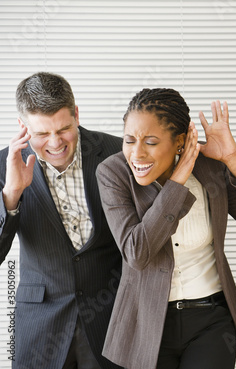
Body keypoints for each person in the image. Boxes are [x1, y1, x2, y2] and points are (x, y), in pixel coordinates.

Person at [96, 88, 236, 369]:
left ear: (180, 141)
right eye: (129, 140)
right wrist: (177, 183)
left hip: (212, 320)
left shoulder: (210, 168)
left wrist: (232, 159)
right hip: (146, 324)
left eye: (151, 142)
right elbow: (137, 252)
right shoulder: (113, 173)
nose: (137, 153)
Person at [0, 72, 123, 369]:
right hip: (41, 324)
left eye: (64, 129)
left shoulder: (118, 153)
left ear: (76, 114)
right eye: (42, 134)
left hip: (110, 318)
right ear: (23, 126)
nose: (55, 143)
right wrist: (12, 195)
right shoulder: (4, 165)